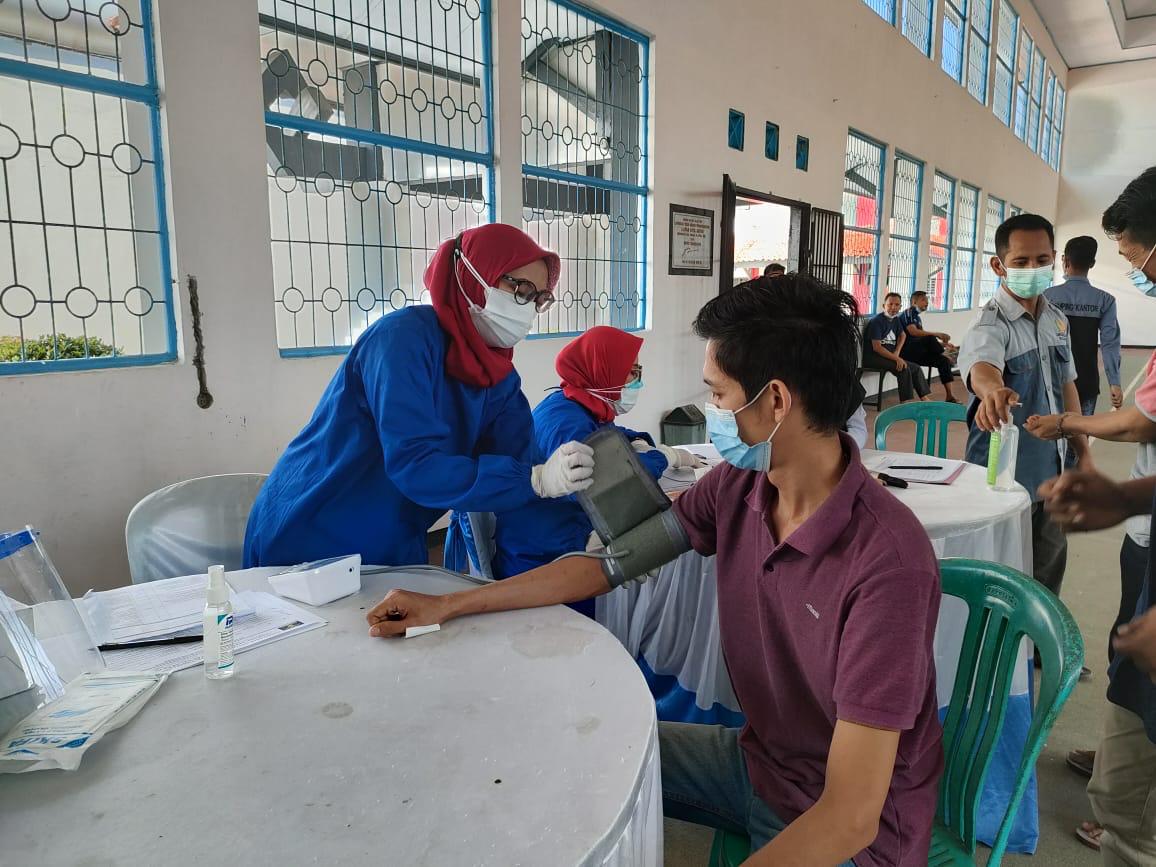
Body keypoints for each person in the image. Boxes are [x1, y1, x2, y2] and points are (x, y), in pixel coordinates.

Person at [368, 275, 945, 866]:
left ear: (775, 401)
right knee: (573, 748)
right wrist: (450, 603)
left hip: (854, 834)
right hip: (762, 764)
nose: (713, 412)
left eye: (718, 394)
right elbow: (606, 566)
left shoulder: (887, 564)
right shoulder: (738, 487)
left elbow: (849, 816)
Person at [243, 224, 596, 568]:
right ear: (472, 276)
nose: (528, 307)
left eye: (538, 298)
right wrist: (534, 480)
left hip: (393, 538)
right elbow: (417, 465)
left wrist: (581, 538)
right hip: (312, 529)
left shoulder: (498, 378)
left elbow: (525, 472)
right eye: (519, 288)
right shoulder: (401, 340)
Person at [1036, 166, 1156, 862]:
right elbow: (1105, 361)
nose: (1138, 272)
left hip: (1079, 416)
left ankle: (1126, 804)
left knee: (1133, 818)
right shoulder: (1097, 301)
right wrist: (1130, 496)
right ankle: (1118, 764)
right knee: (1128, 645)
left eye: (1138, 256)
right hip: (1138, 508)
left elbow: (1138, 416)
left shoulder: (1055, 300)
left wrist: (1074, 421)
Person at [482, 326, 702, 617]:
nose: (637, 381)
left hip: (555, 543)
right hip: (543, 558)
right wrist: (664, 457)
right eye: (631, 372)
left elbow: (603, 434)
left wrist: (636, 440)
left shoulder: (575, 401)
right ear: (603, 370)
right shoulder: (565, 422)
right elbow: (605, 485)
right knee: (567, 634)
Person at [958, 213, 1091, 601]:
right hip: (1004, 479)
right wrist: (992, 391)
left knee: (1047, 578)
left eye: (1041, 260)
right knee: (1002, 581)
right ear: (998, 265)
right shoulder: (990, 323)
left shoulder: (1057, 320)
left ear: (1054, 258)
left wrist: (1082, 453)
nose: (1033, 269)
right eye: (1021, 261)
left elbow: (1067, 387)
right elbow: (982, 368)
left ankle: (1039, 642)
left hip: (1053, 474)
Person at [1045, 236, 1123, 416]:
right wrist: (1114, 382)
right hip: (1086, 382)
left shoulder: (1046, 297)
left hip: (1052, 381)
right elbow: (1110, 344)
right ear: (1092, 263)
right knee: (1082, 431)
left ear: (1065, 260)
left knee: (1051, 430)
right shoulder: (1105, 300)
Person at [863, 291, 931, 403]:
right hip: (874, 358)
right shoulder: (877, 321)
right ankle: (905, 403)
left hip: (889, 357)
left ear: (900, 307)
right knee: (903, 368)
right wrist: (896, 358)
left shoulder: (895, 319)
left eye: (897, 304)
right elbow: (877, 348)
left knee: (915, 368)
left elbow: (903, 335)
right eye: (890, 304)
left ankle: (925, 399)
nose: (893, 307)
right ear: (884, 305)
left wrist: (897, 352)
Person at [898, 290, 960, 403]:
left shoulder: (917, 317)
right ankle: (946, 354)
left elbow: (923, 339)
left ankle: (950, 396)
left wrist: (944, 345)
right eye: (923, 300)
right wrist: (936, 334)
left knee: (943, 361)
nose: (926, 302)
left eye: (927, 300)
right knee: (930, 337)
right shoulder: (908, 313)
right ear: (914, 302)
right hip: (906, 352)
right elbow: (913, 332)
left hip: (917, 351)